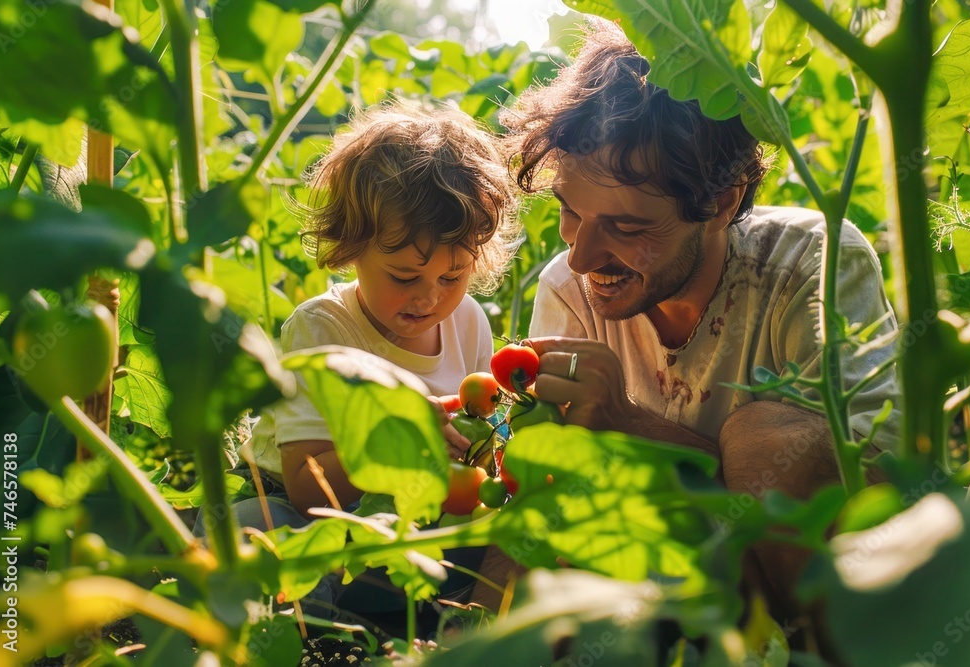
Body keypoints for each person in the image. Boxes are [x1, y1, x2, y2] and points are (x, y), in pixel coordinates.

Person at [498, 17, 900, 638]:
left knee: (768, 440)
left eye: (627, 229)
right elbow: (547, 503)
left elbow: (874, 491)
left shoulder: (810, 267)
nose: (581, 257)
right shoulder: (566, 287)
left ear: (721, 203)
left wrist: (634, 428)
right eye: (570, 213)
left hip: (825, 601)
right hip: (671, 595)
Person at [219, 101, 519, 620]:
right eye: (404, 277)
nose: (429, 299)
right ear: (351, 247)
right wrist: (400, 439)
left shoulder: (468, 321)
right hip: (297, 507)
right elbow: (309, 488)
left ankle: (405, 623)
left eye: (454, 277)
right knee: (259, 536)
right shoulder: (322, 330)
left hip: (404, 517)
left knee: (496, 547)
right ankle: (322, 639)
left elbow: (485, 432)